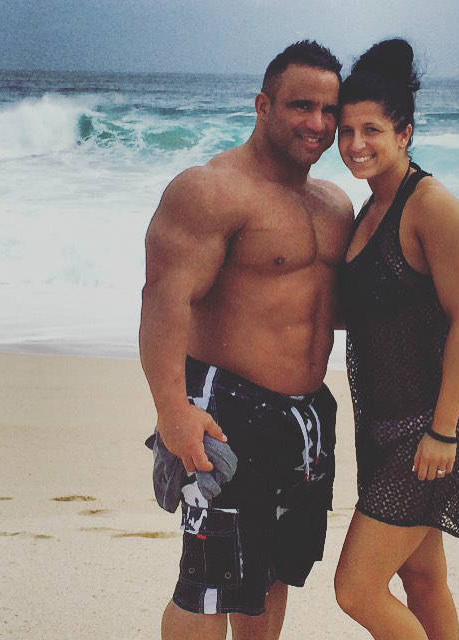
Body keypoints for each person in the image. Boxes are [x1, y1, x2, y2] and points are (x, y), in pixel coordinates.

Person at [139, 41, 353, 640]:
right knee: (208, 583)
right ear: (263, 105)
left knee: (271, 578)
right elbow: (162, 302)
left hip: (308, 417)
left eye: (329, 110)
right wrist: (172, 410)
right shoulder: (210, 191)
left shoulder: (334, 203)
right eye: (300, 105)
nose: (318, 123)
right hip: (225, 411)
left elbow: (330, 311)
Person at [334, 39, 459, 640]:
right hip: (381, 423)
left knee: (357, 588)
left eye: (372, 129)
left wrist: (442, 429)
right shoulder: (368, 209)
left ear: (406, 133)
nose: (355, 144)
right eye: (345, 130)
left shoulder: (432, 207)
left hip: (428, 430)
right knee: (422, 582)